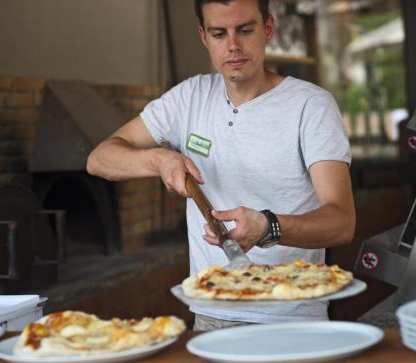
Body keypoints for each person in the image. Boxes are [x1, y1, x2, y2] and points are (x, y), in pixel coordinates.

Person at [87, 0, 355, 330]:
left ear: (267, 28)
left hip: (292, 316)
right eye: (218, 33)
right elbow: (99, 159)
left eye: (245, 30)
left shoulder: (311, 106)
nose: (233, 45)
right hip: (210, 315)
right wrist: (158, 158)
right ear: (203, 36)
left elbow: (342, 222)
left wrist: (268, 226)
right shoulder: (189, 98)